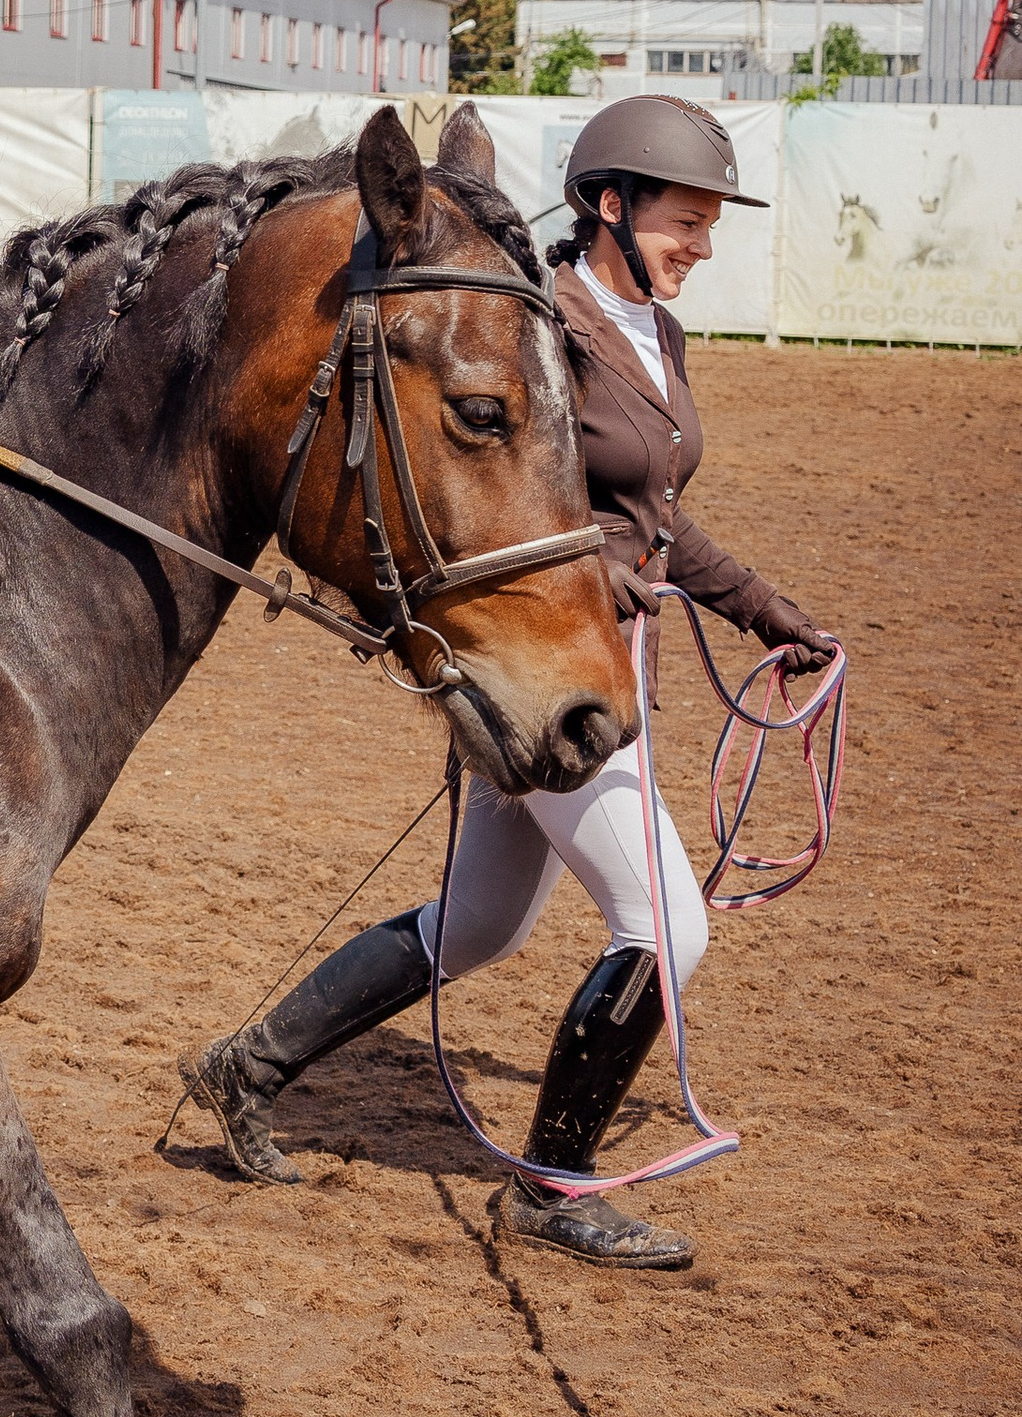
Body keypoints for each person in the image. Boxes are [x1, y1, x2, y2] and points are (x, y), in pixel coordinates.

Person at [177, 94, 837, 1269]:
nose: (700, 245)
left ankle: (247, 1066)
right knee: (663, 927)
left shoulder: (656, 338)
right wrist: (590, 583)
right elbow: (508, 495)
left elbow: (656, 517)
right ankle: (554, 1185)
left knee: (477, 925)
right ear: (608, 208)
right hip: (542, 662)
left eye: (706, 225)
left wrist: (764, 612)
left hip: (593, 659)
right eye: (684, 221)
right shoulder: (548, 327)